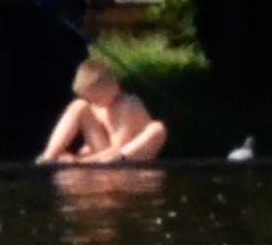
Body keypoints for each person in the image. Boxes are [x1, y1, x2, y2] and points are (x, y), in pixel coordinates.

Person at [36, 54, 171, 166]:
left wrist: (80, 161)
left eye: (97, 99)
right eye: (91, 99)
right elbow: (98, 141)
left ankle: (94, 162)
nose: (94, 104)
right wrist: (82, 153)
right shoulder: (95, 107)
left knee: (157, 128)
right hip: (104, 157)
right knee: (78, 106)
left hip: (126, 157)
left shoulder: (127, 106)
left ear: (114, 88)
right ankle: (49, 156)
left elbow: (118, 148)